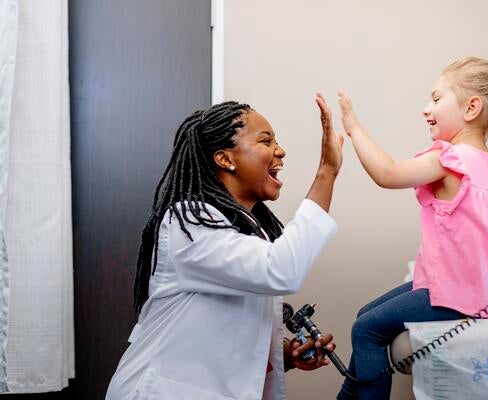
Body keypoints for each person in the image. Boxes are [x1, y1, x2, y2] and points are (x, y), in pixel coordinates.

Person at [106, 94, 344, 400]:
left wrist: (284, 355)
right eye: (266, 141)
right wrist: (327, 171)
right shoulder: (189, 223)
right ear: (226, 159)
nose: (280, 151)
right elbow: (280, 270)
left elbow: (221, 338)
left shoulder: (244, 231)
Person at [335, 57, 488, 399]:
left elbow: (387, 174)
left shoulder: (450, 159)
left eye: (435, 98)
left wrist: (354, 126)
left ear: (471, 108)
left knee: (366, 329)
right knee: (365, 314)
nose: (425, 109)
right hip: (481, 294)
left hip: (457, 296)